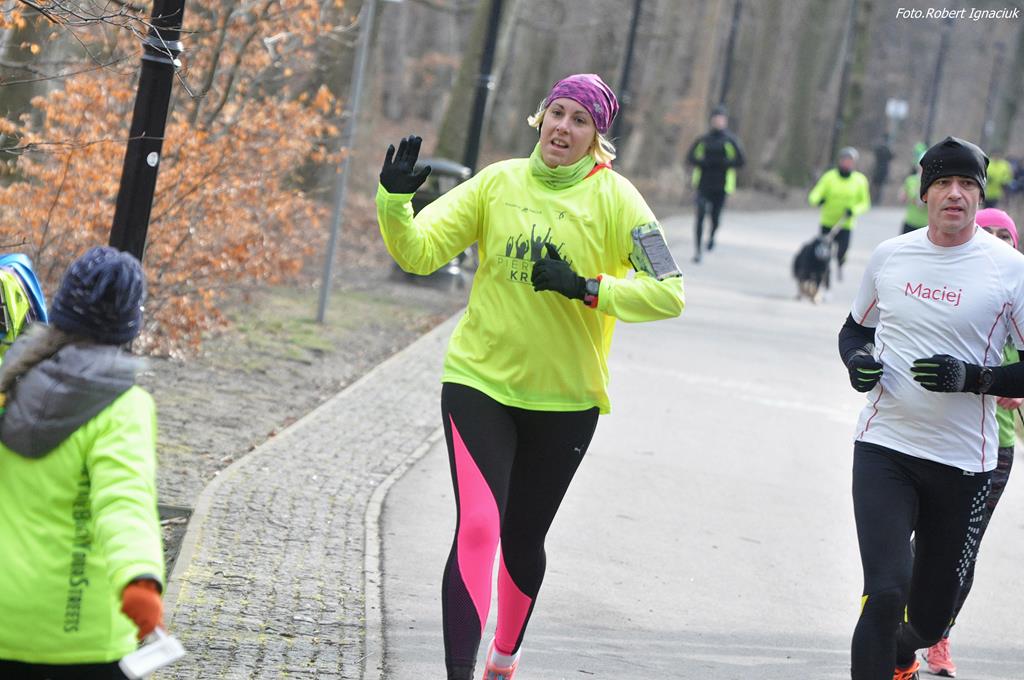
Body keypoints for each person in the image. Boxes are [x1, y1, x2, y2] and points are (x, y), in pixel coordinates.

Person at [376, 73, 684, 680]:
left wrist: (588, 288)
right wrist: (394, 202)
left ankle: (504, 657)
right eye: (557, 113)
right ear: (541, 118)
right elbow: (418, 253)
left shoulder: (619, 201)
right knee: (479, 526)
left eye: (580, 120)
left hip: (565, 400)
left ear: (597, 138)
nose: (563, 128)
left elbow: (669, 292)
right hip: (479, 381)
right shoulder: (497, 183)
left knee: (521, 539)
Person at [838, 137, 1024, 680]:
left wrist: (975, 378)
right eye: (943, 183)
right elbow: (855, 330)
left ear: (980, 195)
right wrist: (857, 362)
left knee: (928, 619)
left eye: (966, 184)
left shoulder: (1009, 269)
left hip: (964, 464)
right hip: (885, 447)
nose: (954, 194)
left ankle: (905, 654)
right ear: (925, 194)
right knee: (884, 592)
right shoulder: (891, 256)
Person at [0, 246, 165, 679]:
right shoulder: (124, 406)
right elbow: (124, 501)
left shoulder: (9, 383)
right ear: (130, 323)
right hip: (82, 636)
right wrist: (139, 577)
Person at [920, 208, 1021, 678]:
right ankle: (898, 623)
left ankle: (939, 635)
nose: (998, 240)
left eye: (1007, 235)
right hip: (934, 434)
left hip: (994, 449)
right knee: (913, 541)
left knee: (965, 547)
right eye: (990, 232)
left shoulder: (1019, 298)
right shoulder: (956, 294)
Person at [685, 104, 745, 263]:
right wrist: (702, 162)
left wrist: (725, 163)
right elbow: (690, 157)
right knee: (700, 215)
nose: (718, 122)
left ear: (725, 121)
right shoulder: (703, 140)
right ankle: (698, 251)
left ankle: (712, 235)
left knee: (715, 217)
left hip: (721, 185)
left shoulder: (730, 141)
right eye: (716, 119)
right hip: (703, 184)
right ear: (711, 120)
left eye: (721, 119)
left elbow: (741, 161)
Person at [809, 147, 871, 281]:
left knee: (842, 251)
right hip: (828, 222)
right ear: (840, 161)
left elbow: (865, 203)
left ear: (854, 163)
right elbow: (816, 192)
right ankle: (824, 277)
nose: (847, 163)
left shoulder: (860, 180)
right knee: (823, 253)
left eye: (850, 161)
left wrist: (853, 210)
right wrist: (816, 200)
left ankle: (840, 264)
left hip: (845, 224)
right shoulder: (829, 177)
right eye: (844, 160)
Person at [871, 134, 894, 204]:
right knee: (878, 185)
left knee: (878, 185)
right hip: (881, 169)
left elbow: (891, 157)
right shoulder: (885, 148)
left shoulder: (882, 148)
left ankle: (876, 199)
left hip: (880, 169)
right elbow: (891, 157)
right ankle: (876, 199)